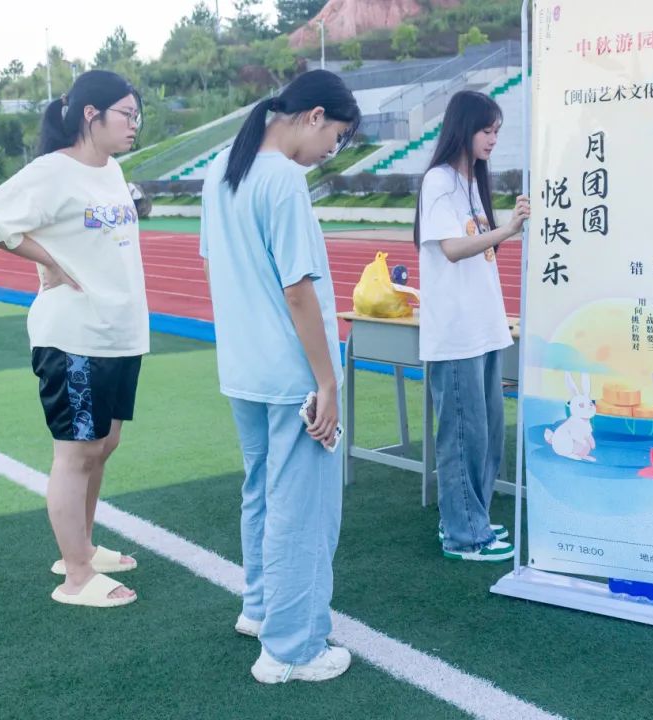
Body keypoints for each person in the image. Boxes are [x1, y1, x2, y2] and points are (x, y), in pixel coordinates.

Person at [200, 70, 360, 683]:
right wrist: (328, 383)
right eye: (336, 138)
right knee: (302, 509)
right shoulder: (284, 181)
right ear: (313, 116)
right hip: (293, 374)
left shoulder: (222, 169)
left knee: (263, 492)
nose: (330, 152)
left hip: (243, 367)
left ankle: (262, 608)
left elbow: (216, 265)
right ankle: (291, 650)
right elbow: (298, 291)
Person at [0, 71, 146, 608]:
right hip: (73, 336)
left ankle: (80, 549)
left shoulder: (112, 169)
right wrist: (49, 261)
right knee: (77, 453)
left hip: (119, 333)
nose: (134, 124)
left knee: (104, 446)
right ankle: (77, 577)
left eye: (137, 115)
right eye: (127, 114)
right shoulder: (51, 172)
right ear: (91, 115)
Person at [413, 90, 530, 562]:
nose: (493, 139)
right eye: (486, 130)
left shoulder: (471, 183)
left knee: (487, 436)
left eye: (497, 131)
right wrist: (508, 229)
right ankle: (463, 535)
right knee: (463, 436)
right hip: (457, 333)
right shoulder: (439, 181)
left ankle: (472, 519)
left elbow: (478, 252)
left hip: (484, 329)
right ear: (463, 129)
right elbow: (452, 249)